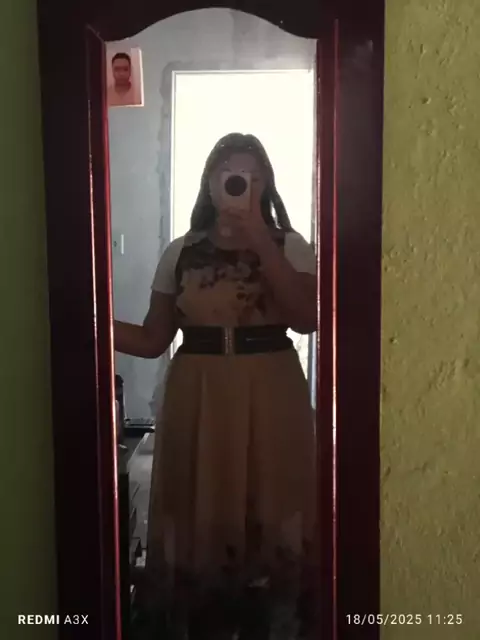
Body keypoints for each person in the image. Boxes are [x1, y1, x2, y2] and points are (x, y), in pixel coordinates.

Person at [114, 133, 318, 639]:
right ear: (209, 182)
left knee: (274, 496)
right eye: (226, 172)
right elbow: (153, 339)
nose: (237, 182)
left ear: (264, 183)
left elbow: (307, 318)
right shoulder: (180, 252)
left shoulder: (291, 246)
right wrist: (88, 320)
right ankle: (199, 620)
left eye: (249, 175)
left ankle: (277, 620)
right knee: (197, 500)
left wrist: (260, 241)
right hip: (197, 389)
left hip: (271, 389)